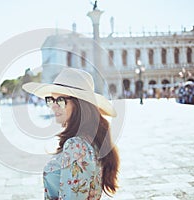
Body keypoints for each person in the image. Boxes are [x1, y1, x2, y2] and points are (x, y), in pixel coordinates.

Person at [22, 68, 120, 199]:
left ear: (79, 104)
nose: (54, 106)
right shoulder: (90, 139)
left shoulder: (76, 146)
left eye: (61, 100)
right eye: (51, 99)